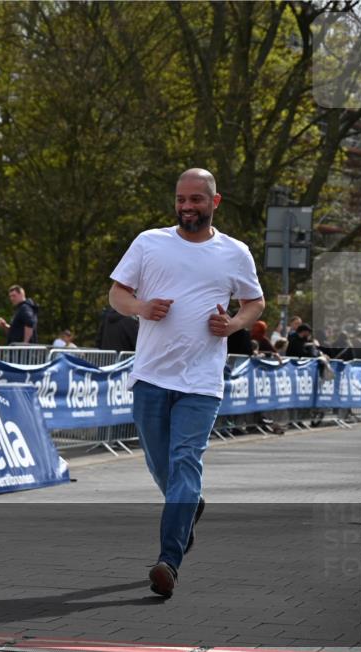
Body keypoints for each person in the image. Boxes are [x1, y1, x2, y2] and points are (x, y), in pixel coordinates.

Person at [108, 168, 264, 599]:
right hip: (151, 376)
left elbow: (255, 302)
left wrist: (232, 323)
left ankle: (168, 560)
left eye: (196, 199)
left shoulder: (235, 252)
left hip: (201, 380)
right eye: (181, 199)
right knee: (163, 468)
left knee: (184, 463)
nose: (186, 207)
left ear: (214, 202)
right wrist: (141, 306)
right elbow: (116, 295)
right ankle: (190, 506)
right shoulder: (149, 242)